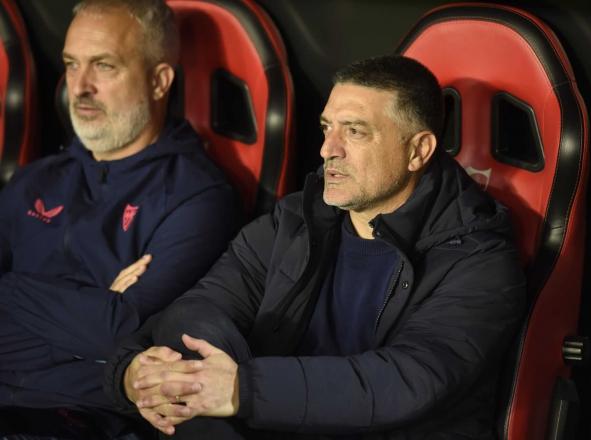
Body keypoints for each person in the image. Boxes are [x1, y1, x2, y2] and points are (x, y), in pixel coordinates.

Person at [106, 55, 526, 439]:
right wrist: (136, 374)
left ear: (418, 151)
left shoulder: (478, 260)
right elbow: (198, 307)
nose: (328, 149)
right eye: (327, 128)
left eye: (356, 132)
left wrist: (240, 389)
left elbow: (408, 381)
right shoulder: (292, 222)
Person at [0, 0, 237, 437]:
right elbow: (104, 323)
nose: (80, 86)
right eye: (72, 65)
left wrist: (9, 290)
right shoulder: (35, 179)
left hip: (80, 417)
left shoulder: (196, 197)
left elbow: (124, 331)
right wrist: (91, 306)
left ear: (159, 80)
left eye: (104, 66)